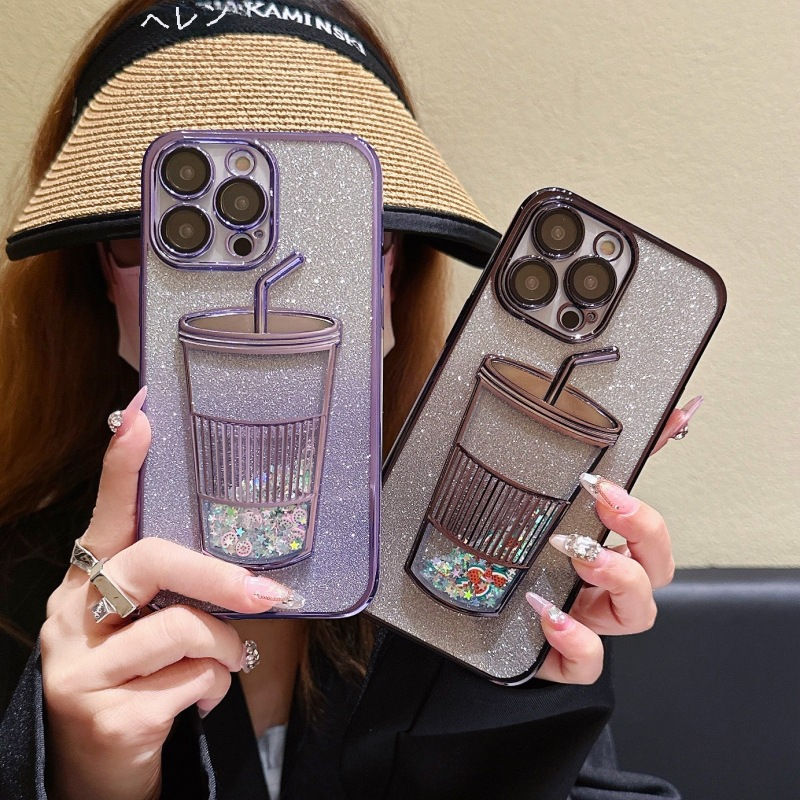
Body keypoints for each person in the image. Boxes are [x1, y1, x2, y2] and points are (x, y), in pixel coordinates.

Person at [0, 2, 700, 798]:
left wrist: (507, 690)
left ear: (395, 269)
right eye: (176, 235)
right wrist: (76, 773)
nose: (243, 284)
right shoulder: (18, 586)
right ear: (98, 269)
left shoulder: (457, 561)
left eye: (333, 226)